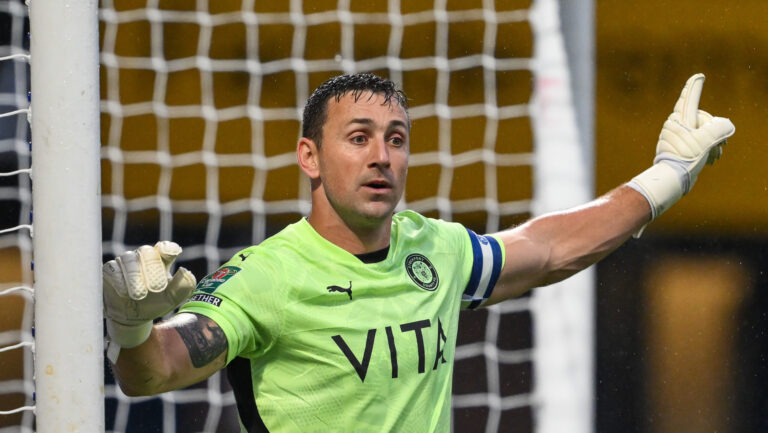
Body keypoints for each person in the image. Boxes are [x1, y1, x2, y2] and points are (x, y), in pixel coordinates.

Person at [102, 72, 735, 432]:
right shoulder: (267, 274)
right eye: (359, 137)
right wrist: (133, 325)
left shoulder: (433, 248)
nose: (382, 155)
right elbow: (155, 371)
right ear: (310, 157)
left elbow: (545, 250)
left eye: (396, 138)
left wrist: (664, 179)